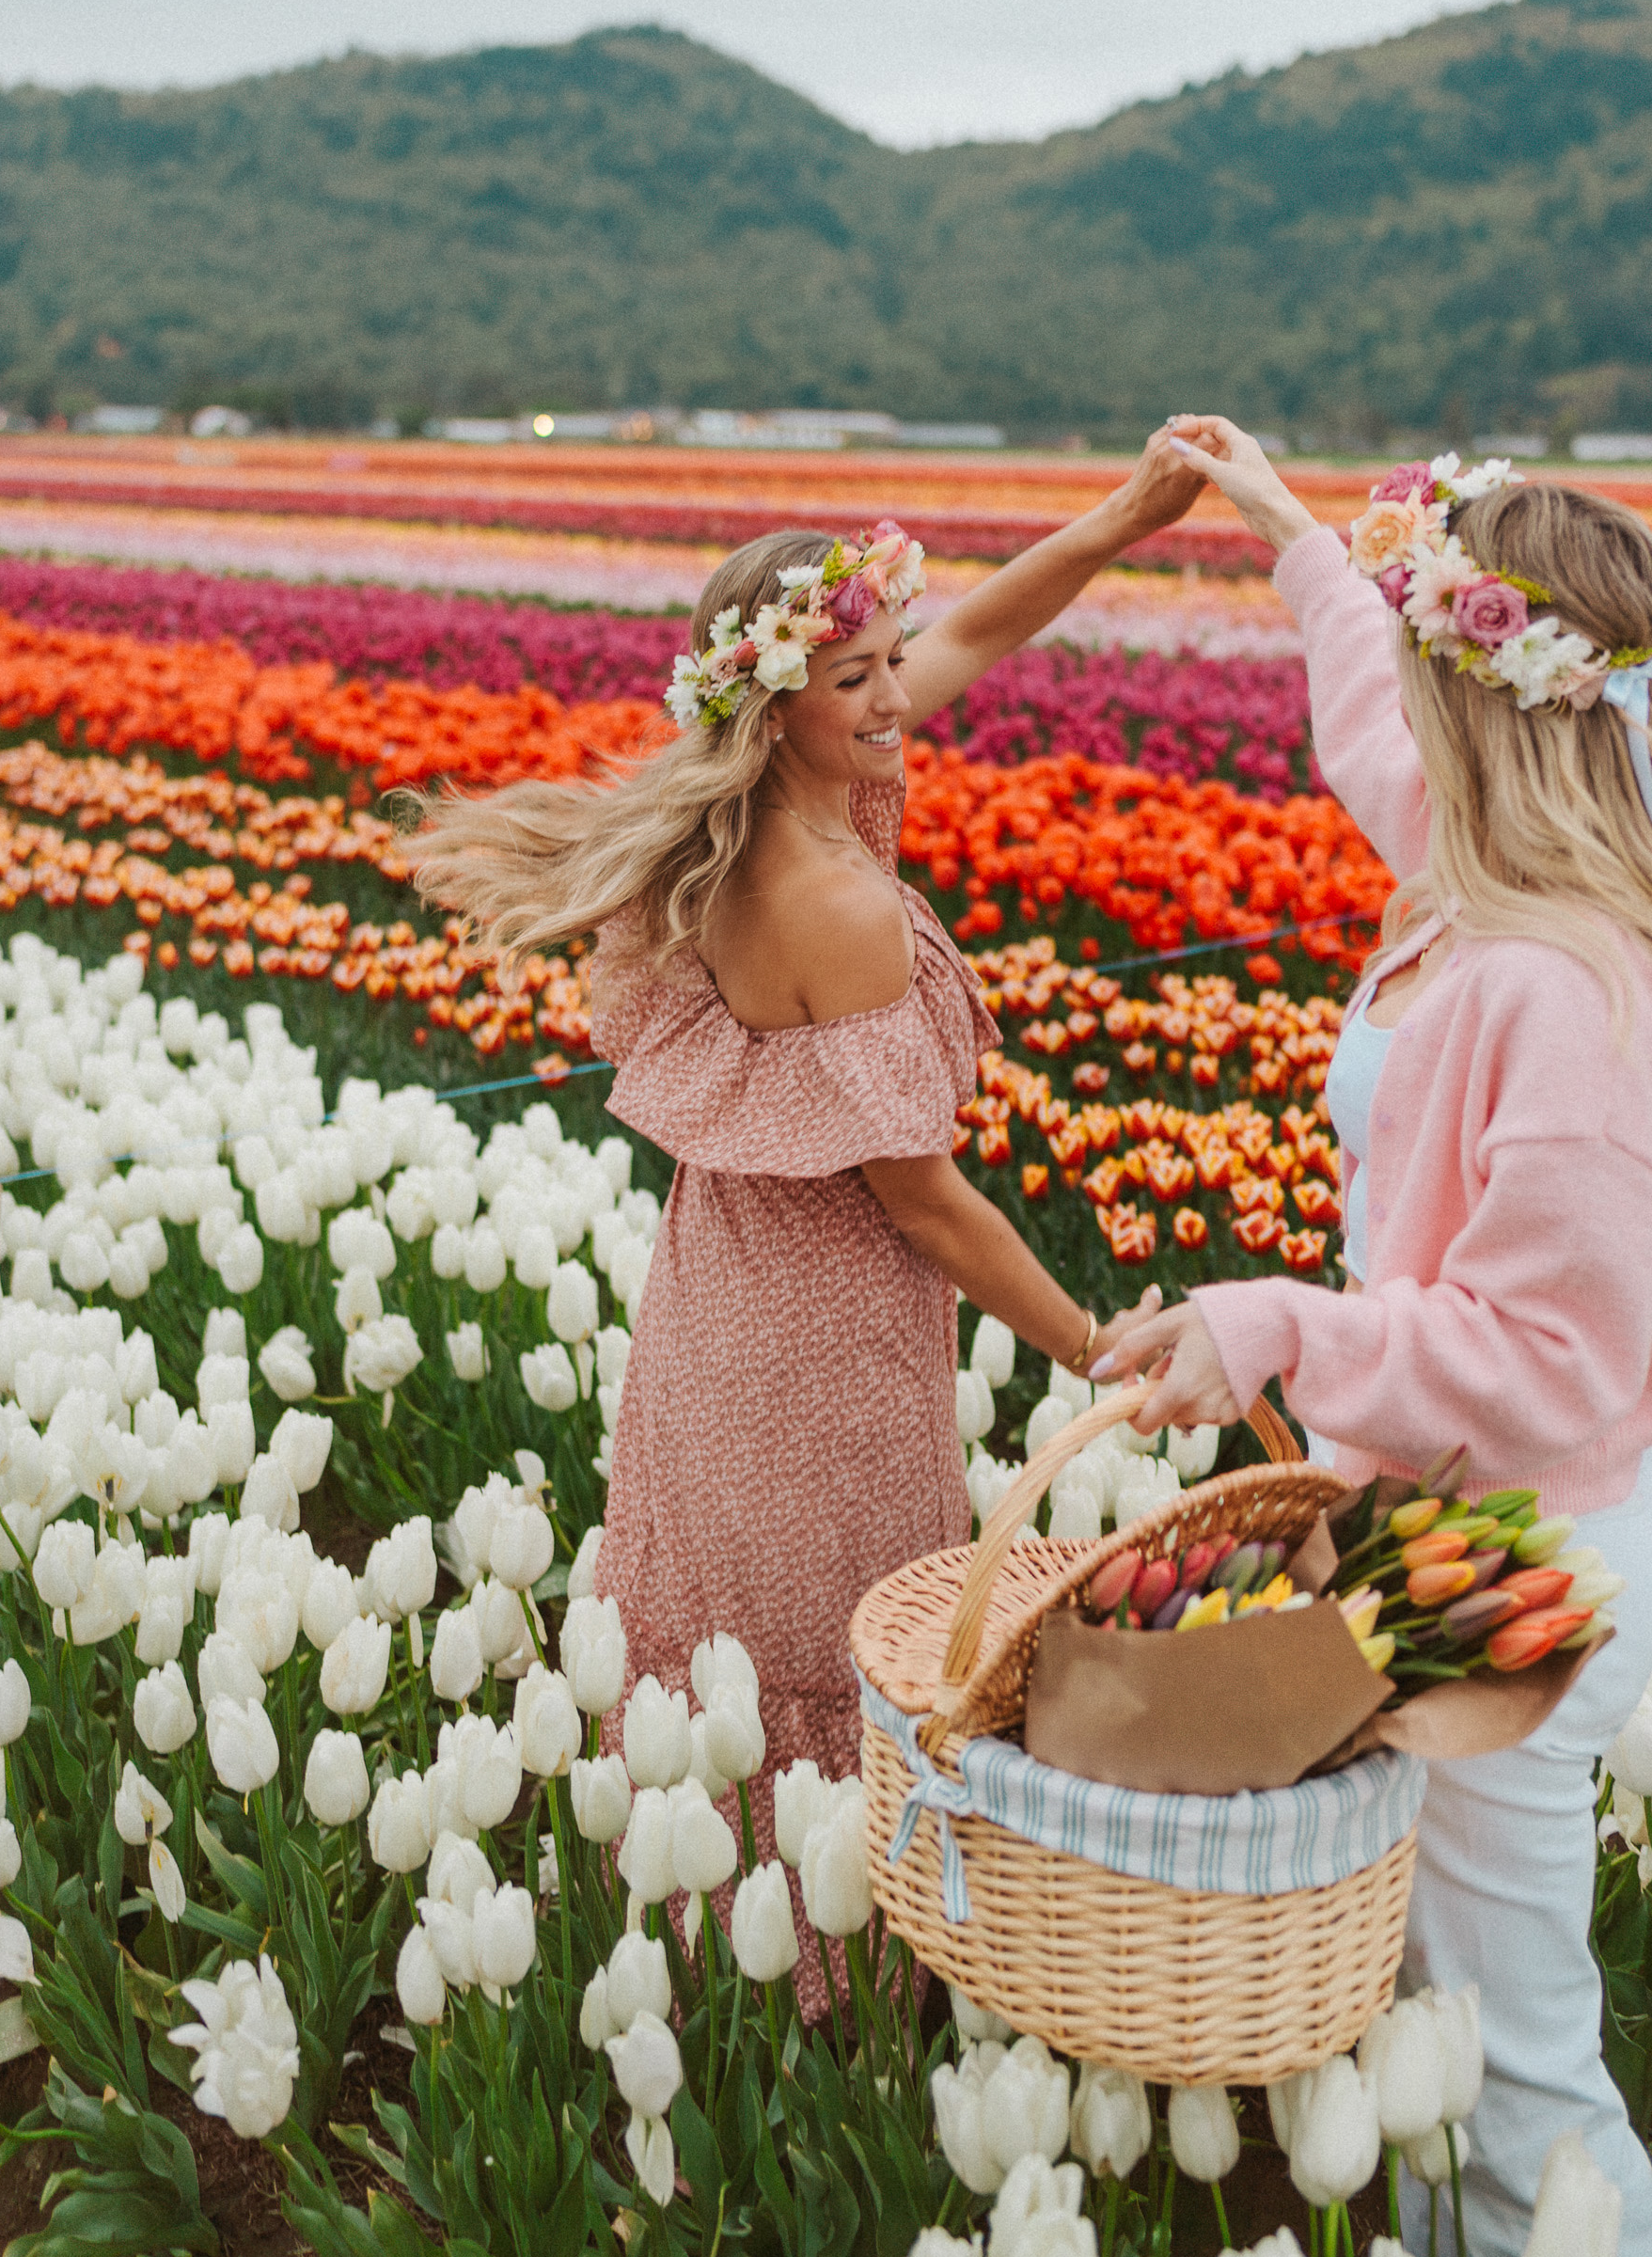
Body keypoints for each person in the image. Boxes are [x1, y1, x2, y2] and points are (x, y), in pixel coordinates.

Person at [1094, 420, 1652, 2257]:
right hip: (1452, 1524)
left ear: (1495, 700)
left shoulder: (1565, 989)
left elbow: (1542, 1354)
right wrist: (1286, 525)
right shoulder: (1495, 875)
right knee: (1425, 2034)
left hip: (1519, 1548)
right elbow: (1368, 737)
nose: (1395, 681)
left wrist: (1278, 1322)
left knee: (1501, 2050)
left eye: (1418, 643)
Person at [406, 446, 1199, 1918]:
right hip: (823, 1354)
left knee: (725, 1642)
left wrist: (1126, 519)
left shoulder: (762, 831)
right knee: (837, 1638)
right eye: (856, 681)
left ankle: (708, 1942)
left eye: (891, 662)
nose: (897, 698)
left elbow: (970, 635)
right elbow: (927, 1203)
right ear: (774, 705)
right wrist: (1097, 1350)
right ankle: (836, 1968)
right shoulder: (837, 904)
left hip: (716, 1312)